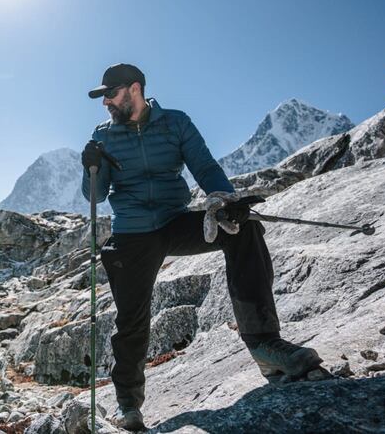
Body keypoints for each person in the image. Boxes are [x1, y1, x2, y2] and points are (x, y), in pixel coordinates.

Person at [81, 63, 323, 431]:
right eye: (103, 98)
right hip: (131, 234)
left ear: (134, 88)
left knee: (242, 229)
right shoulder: (104, 137)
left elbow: (205, 168)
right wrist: (91, 168)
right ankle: (128, 403)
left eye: (110, 94)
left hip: (174, 222)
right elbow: (95, 195)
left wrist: (226, 200)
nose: (106, 103)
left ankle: (265, 346)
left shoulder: (176, 123)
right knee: (131, 321)